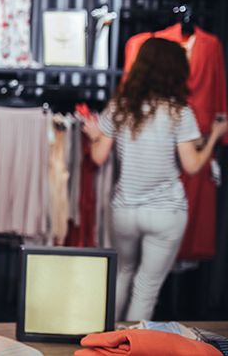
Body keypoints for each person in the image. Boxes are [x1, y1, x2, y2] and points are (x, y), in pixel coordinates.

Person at [83, 37, 228, 321]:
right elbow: (193, 165)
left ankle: (104, 342)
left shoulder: (120, 107)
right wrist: (215, 136)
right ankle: (131, 348)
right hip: (165, 211)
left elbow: (98, 157)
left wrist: (93, 137)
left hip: (125, 210)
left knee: (121, 275)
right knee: (146, 288)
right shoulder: (179, 112)